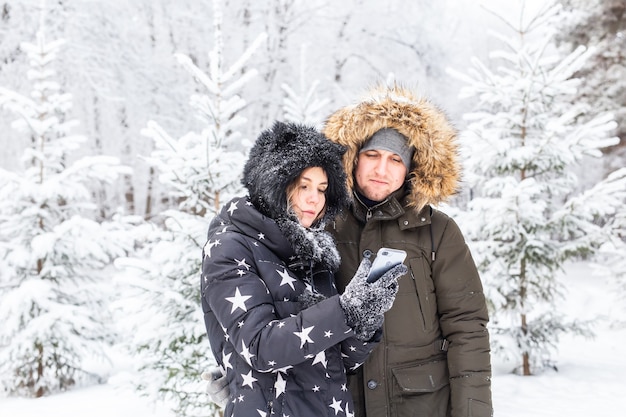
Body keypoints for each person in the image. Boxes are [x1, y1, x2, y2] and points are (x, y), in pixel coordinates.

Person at [200, 121, 407, 417]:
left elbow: (337, 360)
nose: (314, 198)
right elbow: (259, 347)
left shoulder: (314, 253)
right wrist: (344, 311)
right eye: (303, 186)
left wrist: (364, 320)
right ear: (274, 183)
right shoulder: (229, 247)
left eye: (323, 189)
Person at [321, 84, 493, 417]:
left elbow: (467, 328)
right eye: (372, 155)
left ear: (412, 168)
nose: (381, 169)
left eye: (395, 159)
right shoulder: (322, 225)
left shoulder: (438, 232)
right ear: (353, 158)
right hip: (341, 403)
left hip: (421, 404)